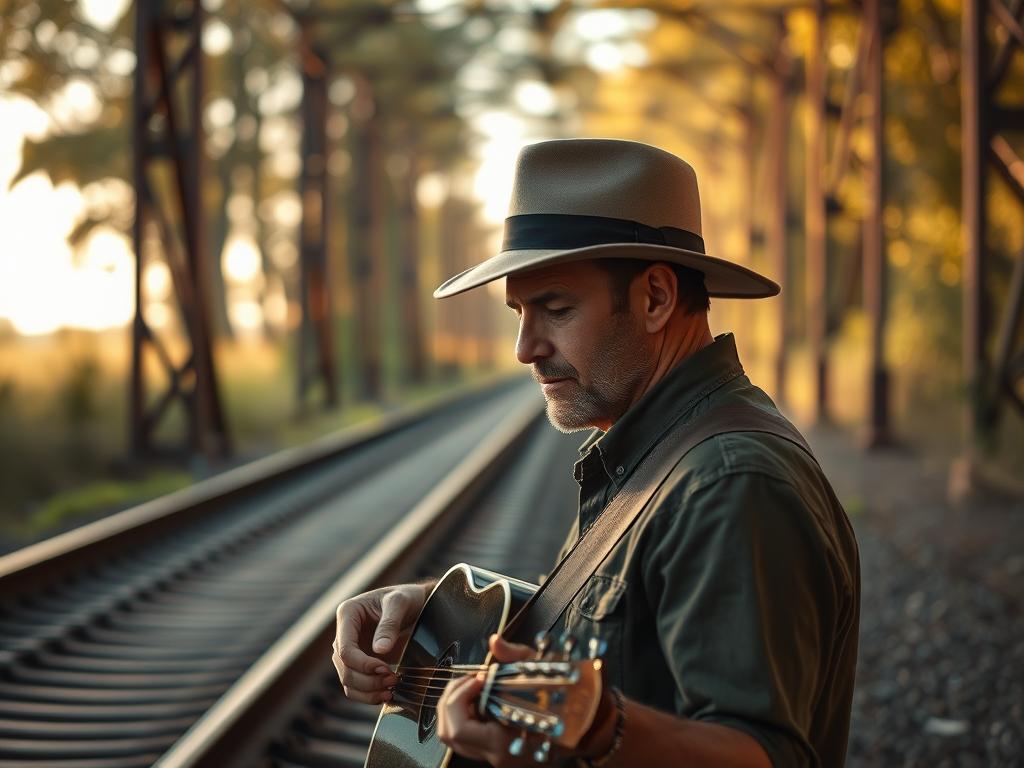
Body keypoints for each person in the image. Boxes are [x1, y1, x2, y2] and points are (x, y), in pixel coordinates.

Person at [333, 138, 860, 767]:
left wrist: (599, 730)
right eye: (520, 313)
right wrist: (439, 613)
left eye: (555, 309)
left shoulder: (728, 482)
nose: (525, 348)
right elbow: (628, 626)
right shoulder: (654, 445)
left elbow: (761, 755)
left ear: (656, 299)